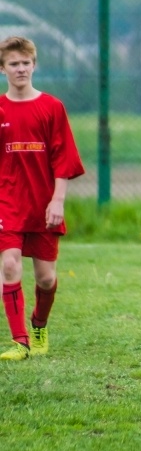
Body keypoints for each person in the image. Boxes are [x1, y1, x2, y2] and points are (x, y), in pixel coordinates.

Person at [0, 36, 85, 361]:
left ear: (34, 65)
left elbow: (63, 159)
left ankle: (38, 325)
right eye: (13, 64)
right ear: (3, 68)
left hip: (44, 203)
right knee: (9, 264)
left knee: (46, 278)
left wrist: (58, 200)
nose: (20, 69)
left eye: (25, 63)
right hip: (7, 202)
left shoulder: (52, 107)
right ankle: (19, 342)